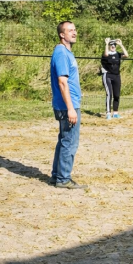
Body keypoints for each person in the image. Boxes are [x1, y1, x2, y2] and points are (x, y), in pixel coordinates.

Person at [50, 21, 85, 189]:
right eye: (70, 30)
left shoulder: (66, 52)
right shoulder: (61, 53)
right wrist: (71, 108)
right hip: (66, 106)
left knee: (64, 140)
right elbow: (62, 82)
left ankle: (57, 175)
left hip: (68, 104)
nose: (74, 32)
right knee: (70, 142)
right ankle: (63, 179)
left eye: (75, 29)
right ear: (61, 35)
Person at [100, 37, 129, 120]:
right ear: (109, 46)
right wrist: (106, 43)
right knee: (109, 94)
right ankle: (108, 113)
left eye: (114, 45)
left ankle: (115, 113)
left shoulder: (118, 54)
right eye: (111, 45)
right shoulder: (106, 53)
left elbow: (126, 55)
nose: (113, 46)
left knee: (116, 95)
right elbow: (106, 55)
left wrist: (121, 44)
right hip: (107, 75)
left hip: (116, 75)